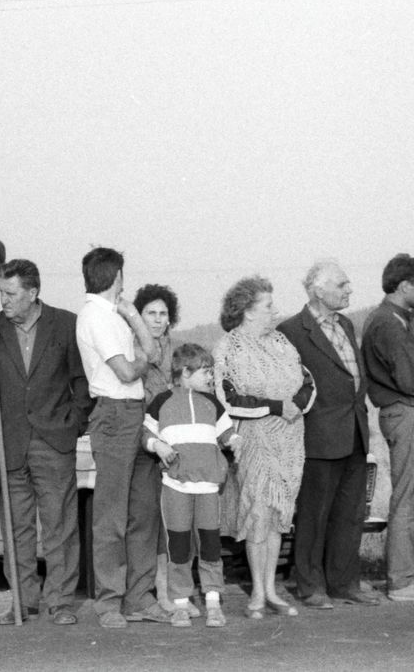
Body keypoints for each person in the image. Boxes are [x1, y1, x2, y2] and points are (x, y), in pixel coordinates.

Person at [0, 259, 91, 626]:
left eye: (10, 293)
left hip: (54, 442)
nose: (2, 299)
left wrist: (74, 424)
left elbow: (82, 382)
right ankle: (23, 601)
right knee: (15, 528)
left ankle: (61, 602)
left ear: (33, 293)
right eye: (0, 292)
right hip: (10, 444)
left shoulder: (66, 324)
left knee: (60, 527)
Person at [74, 247, 169, 628]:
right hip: (113, 413)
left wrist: (133, 315)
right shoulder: (94, 315)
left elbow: (154, 352)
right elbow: (130, 371)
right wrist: (145, 350)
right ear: (117, 277)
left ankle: (140, 598)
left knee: (143, 512)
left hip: (135, 413)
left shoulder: (117, 315)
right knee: (111, 515)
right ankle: (109, 603)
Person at [278, 260, 381, 607]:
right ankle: (309, 585)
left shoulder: (346, 324)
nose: (349, 290)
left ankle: (343, 583)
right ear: (318, 290)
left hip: (354, 430)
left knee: (350, 514)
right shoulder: (292, 330)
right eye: (342, 284)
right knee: (314, 514)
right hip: (318, 436)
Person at [212, 275, 313, 618]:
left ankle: (272, 588)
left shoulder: (282, 342)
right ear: (248, 311)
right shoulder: (229, 347)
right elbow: (227, 397)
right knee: (258, 512)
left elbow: (307, 381)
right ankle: (257, 592)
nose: (275, 311)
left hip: (290, 440)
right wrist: (275, 406)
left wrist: (297, 404)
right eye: (268, 305)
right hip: (256, 441)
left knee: (278, 516)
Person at [142, 343, 240, 628]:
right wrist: (156, 444)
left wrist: (235, 441)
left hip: (209, 488)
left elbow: (226, 433)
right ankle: (181, 604)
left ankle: (213, 602)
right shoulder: (161, 402)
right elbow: (145, 433)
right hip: (176, 488)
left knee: (210, 546)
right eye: (206, 372)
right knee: (179, 548)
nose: (211, 378)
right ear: (186, 372)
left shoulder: (213, 403)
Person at [133, 283, 193, 616]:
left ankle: (177, 591)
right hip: (146, 445)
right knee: (152, 524)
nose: (157, 320)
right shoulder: (135, 350)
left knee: (179, 521)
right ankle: (156, 593)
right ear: (139, 317)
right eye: (150, 313)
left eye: (163, 314)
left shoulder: (178, 351)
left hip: (179, 443)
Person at [362, 253, 414, 602]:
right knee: (406, 497)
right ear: (405, 286)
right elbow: (408, 377)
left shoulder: (396, 319)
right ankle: (401, 580)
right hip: (404, 411)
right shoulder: (388, 324)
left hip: (402, 410)